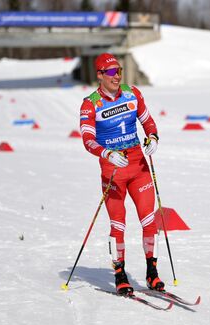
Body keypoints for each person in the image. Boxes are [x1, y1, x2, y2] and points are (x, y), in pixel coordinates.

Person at [79, 53, 164, 295]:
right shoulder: (90, 104)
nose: (117, 76)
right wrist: (106, 153)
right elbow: (87, 139)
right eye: (111, 72)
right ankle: (120, 274)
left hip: (137, 165)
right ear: (100, 75)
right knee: (118, 224)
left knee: (149, 220)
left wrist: (153, 138)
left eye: (119, 71)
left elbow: (148, 122)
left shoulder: (132, 93)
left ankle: (152, 272)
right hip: (113, 170)